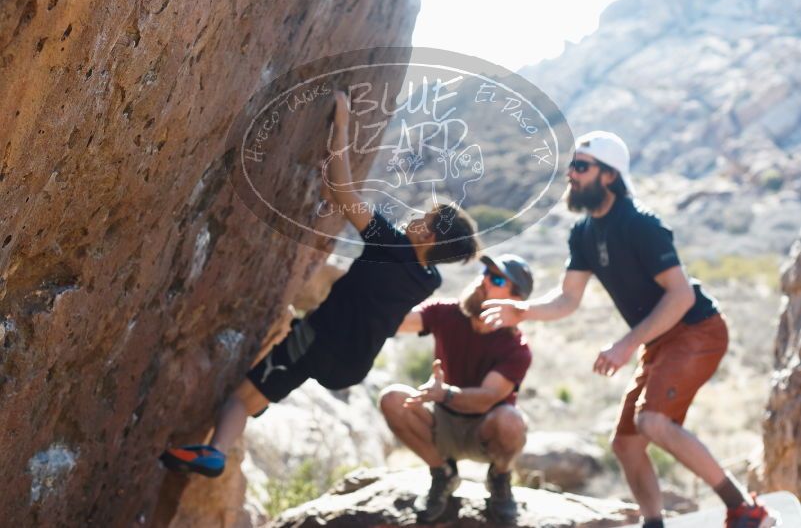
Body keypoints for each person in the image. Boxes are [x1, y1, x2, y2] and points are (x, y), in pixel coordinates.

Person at [160, 91, 479, 478]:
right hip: (351, 365)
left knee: (241, 400)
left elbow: (339, 189)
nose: (415, 218)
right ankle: (248, 411)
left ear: (429, 237)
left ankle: (215, 451)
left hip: (317, 341)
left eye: (423, 219)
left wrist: (341, 124)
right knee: (278, 376)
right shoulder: (428, 279)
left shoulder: (389, 244)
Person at [480, 131, 778, 528]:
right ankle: (653, 523)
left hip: (697, 329)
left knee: (653, 422)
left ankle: (747, 510)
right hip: (658, 339)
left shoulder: (641, 224)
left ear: (609, 176)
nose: (572, 174)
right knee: (626, 443)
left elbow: (681, 296)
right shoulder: (583, 233)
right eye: (572, 165)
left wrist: (625, 345)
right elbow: (568, 299)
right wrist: (523, 310)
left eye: (581, 167)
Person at [380, 254, 533, 524]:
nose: (484, 279)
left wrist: (444, 393)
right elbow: (398, 322)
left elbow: (486, 399)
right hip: (442, 421)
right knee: (392, 399)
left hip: (485, 430)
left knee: (512, 421)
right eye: (485, 272)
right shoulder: (447, 314)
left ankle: (499, 478)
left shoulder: (516, 348)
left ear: (516, 301)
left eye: (496, 279)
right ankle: (443, 475)